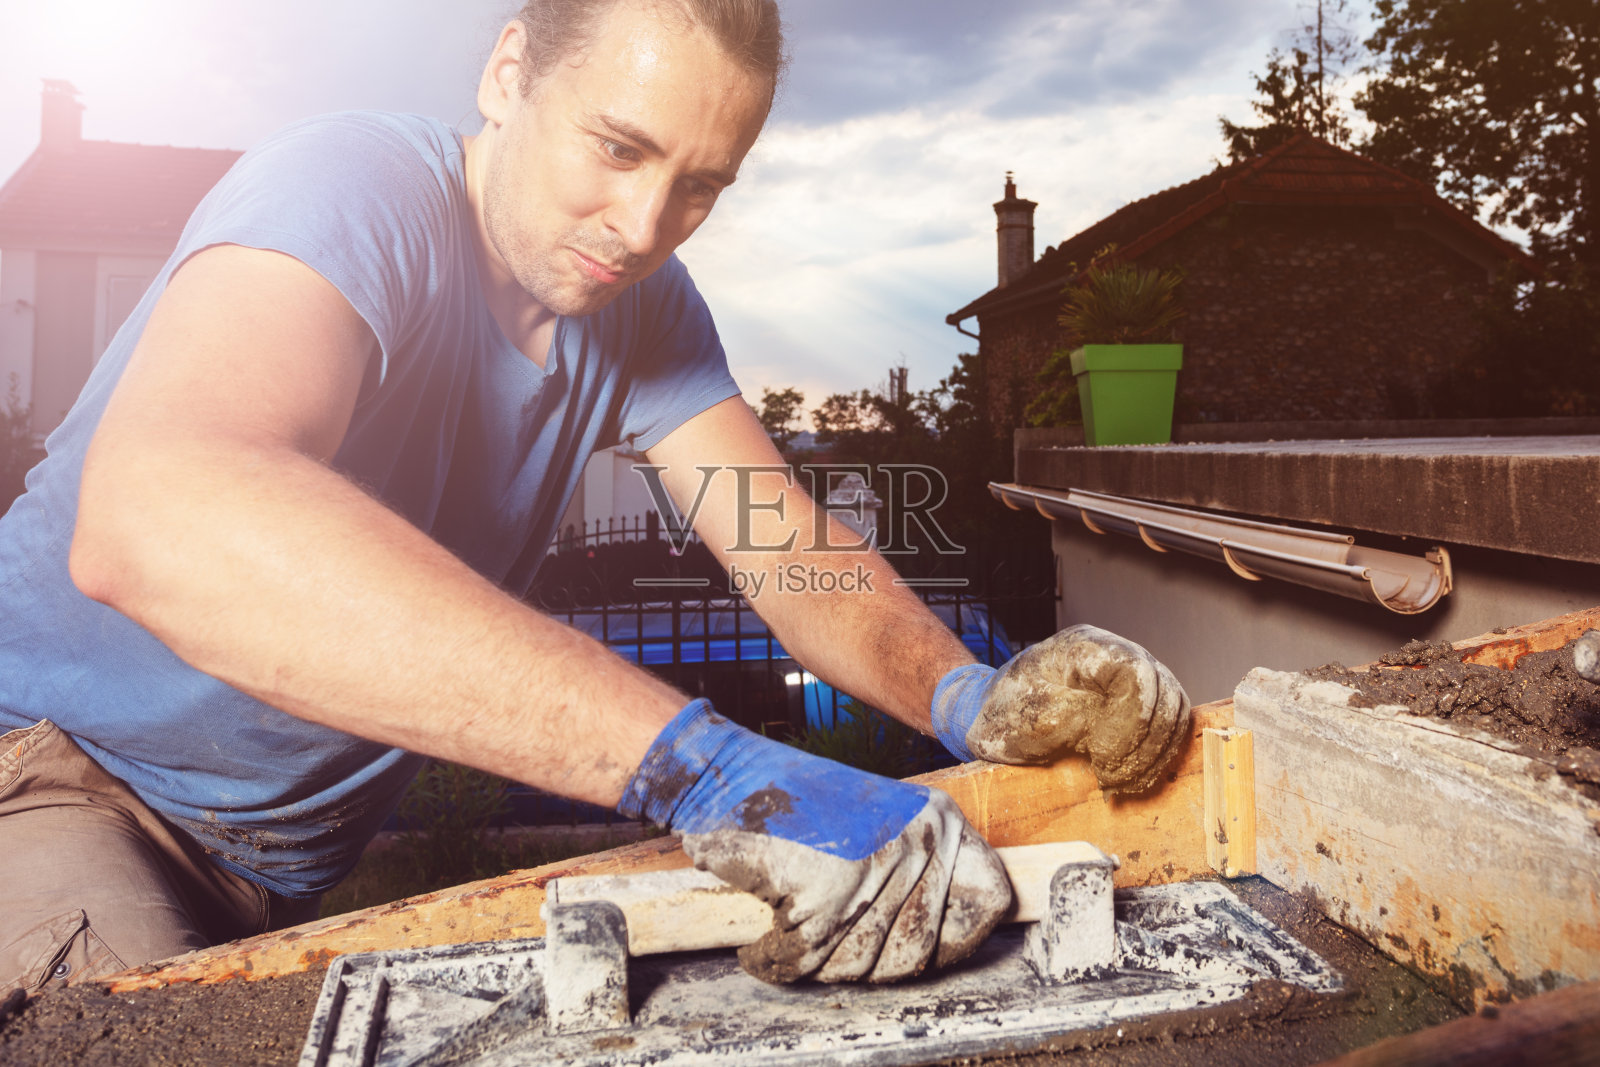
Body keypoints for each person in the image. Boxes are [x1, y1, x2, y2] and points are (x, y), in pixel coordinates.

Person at [0, 0, 1190, 992]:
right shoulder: (349, 188)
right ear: (509, 72)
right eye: (617, 150)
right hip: (53, 777)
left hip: (267, 868)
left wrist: (962, 693)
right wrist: (700, 767)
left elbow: (783, 547)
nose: (642, 228)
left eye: (699, 186)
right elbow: (158, 513)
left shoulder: (644, 310)